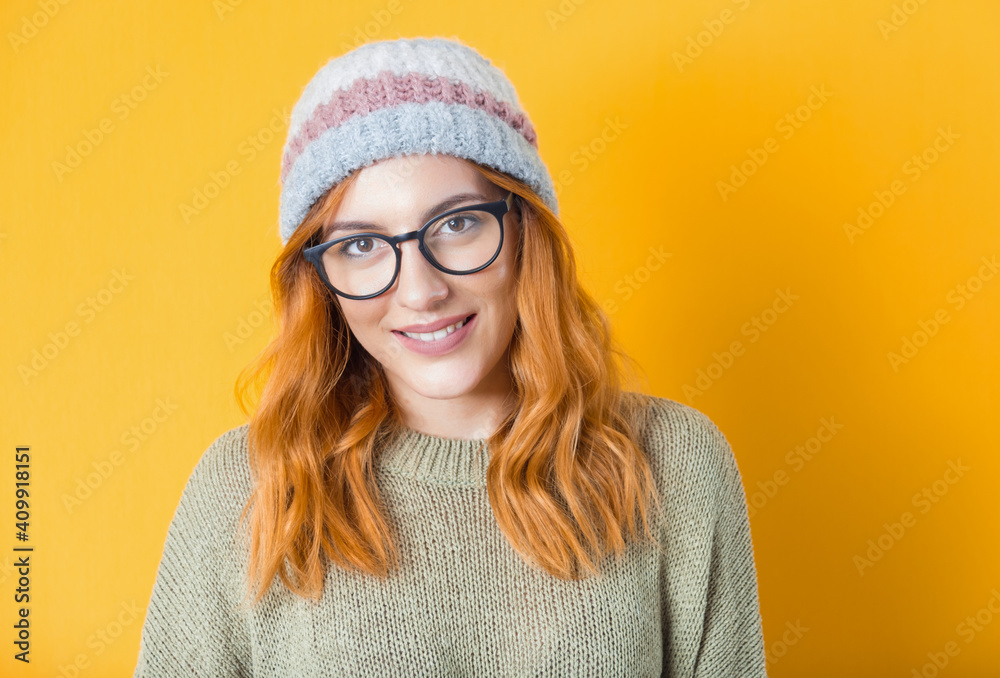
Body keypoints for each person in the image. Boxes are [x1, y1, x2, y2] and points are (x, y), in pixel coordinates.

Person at [133, 36, 768, 677]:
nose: (421, 291)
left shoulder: (677, 464)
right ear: (319, 279)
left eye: (458, 223)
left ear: (524, 230)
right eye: (360, 246)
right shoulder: (246, 488)